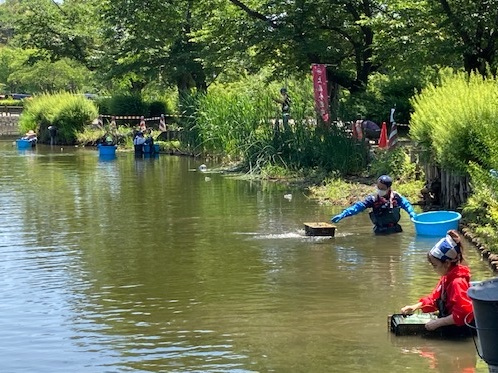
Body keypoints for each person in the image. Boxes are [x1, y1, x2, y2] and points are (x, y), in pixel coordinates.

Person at [400, 230, 474, 335]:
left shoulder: (457, 282)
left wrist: (438, 322)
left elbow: (464, 313)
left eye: (435, 265)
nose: (433, 269)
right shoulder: (446, 278)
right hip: (449, 324)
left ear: (447, 263)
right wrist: (415, 307)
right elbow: (434, 299)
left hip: (460, 330)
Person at [330, 174, 416, 234]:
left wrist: (412, 213)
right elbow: (357, 207)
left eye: (382, 188)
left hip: (396, 230)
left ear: (389, 188)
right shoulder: (373, 199)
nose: (379, 189)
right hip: (379, 231)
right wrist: (344, 214)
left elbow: (406, 205)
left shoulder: (396, 197)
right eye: (378, 187)